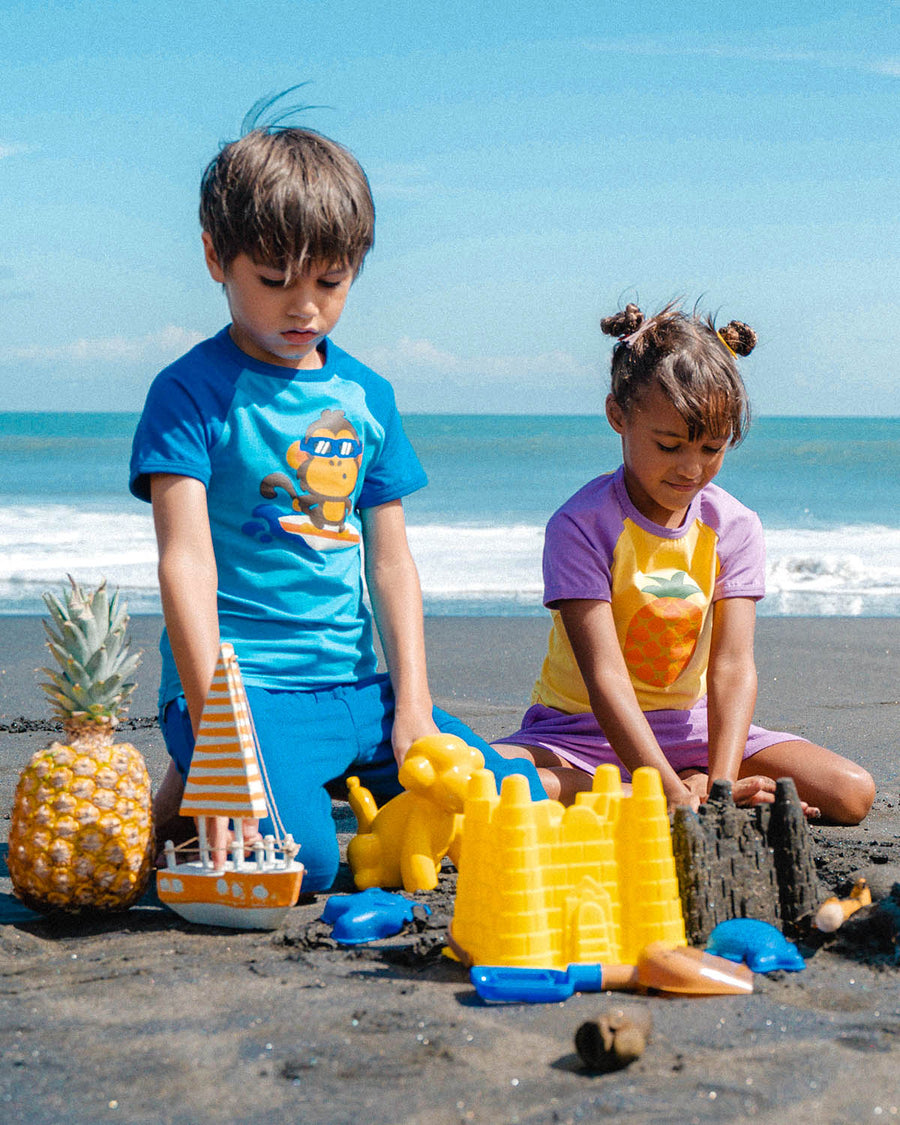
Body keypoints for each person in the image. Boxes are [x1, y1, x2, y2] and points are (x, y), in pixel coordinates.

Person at [129, 108, 545, 892]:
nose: (305, 309)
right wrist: (218, 729)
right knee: (308, 866)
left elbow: (391, 564)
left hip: (358, 692)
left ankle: (240, 793)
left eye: (330, 282)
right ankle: (202, 779)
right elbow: (184, 561)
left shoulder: (367, 395)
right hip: (245, 692)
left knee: (505, 803)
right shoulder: (188, 393)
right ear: (217, 256)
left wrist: (413, 705)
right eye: (275, 281)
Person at [493, 302, 875, 824]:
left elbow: (732, 667)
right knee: (485, 780)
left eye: (712, 448)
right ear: (618, 415)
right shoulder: (581, 524)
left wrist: (718, 786)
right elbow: (606, 677)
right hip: (582, 733)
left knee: (852, 793)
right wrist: (667, 792)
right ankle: (643, 794)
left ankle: (669, 790)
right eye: (669, 446)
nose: (692, 469)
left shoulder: (733, 526)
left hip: (692, 731)